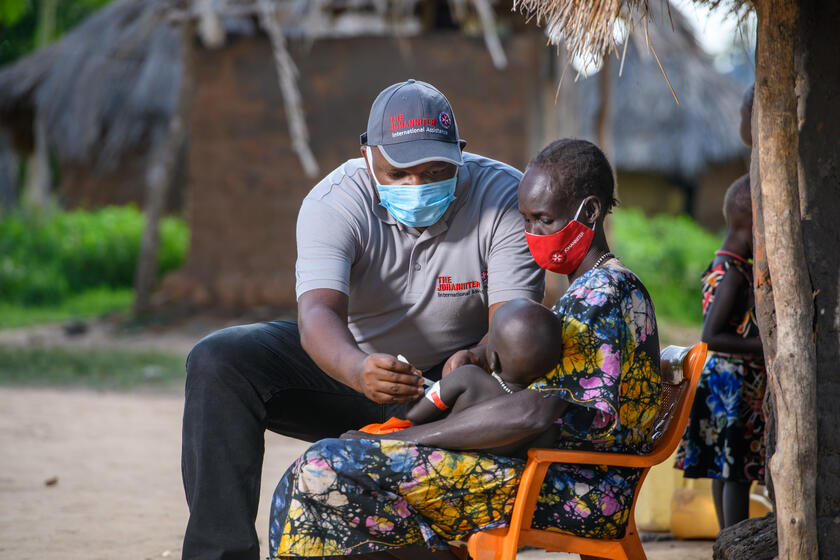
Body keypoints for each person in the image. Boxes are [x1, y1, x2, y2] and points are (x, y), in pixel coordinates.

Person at [180, 79, 544, 559]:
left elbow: (511, 326)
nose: (418, 185)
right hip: (352, 368)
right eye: (399, 172)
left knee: (506, 395)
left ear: (461, 152)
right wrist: (357, 369)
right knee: (217, 361)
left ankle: (446, 543)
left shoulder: (503, 199)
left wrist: (475, 357)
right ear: (368, 154)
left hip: (452, 387)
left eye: (436, 170)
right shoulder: (335, 202)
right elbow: (317, 314)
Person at [267, 138, 661, 559]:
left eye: (544, 220)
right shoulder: (591, 292)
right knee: (311, 474)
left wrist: (409, 440)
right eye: (525, 220)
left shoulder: (603, 295)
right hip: (549, 471)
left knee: (326, 467)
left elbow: (538, 410)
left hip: (574, 489)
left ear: (589, 211)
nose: (533, 235)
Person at [357, 298, 563, 457]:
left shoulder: (469, 378)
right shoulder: (547, 426)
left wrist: (418, 387)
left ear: (493, 358)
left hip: (432, 461)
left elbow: (417, 414)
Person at [674, 174, 766, 528]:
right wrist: (759, 346)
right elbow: (710, 336)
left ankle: (727, 539)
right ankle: (735, 537)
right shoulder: (734, 275)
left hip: (726, 382)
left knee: (726, 468)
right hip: (734, 383)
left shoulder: (725, 264)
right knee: (737, 473)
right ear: (754, 222)